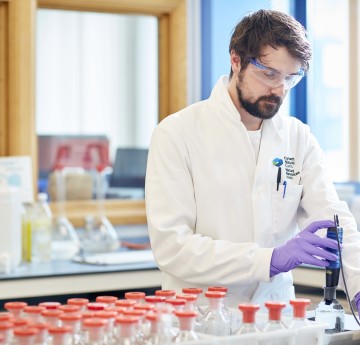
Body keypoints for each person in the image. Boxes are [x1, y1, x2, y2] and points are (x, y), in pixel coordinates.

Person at [145, 9, 360, 312]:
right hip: (202, 318)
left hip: (276, 318)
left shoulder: (298, 138)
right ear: (236, 60)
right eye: (269, 74)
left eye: (290, 78)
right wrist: (269, 260)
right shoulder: (176, 133)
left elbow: (335, 222)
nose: (280, 89)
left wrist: (359, 287)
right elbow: (173, 248)